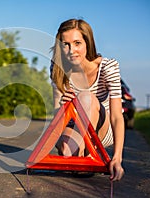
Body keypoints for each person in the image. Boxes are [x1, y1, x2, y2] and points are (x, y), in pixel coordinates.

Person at [50, 19, 124, 181]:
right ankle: (81, 156)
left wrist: (117, 157)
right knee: (66, 150)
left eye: (77, 43)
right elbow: (55, 117)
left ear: (87, 43)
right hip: (73, 123)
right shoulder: (58, 68)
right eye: (65, 44)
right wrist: (62, 105)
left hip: (101, 130)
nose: (71, 50)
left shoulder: (108, 67)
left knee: (85, 97)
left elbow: (117, 116)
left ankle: (87, 152)